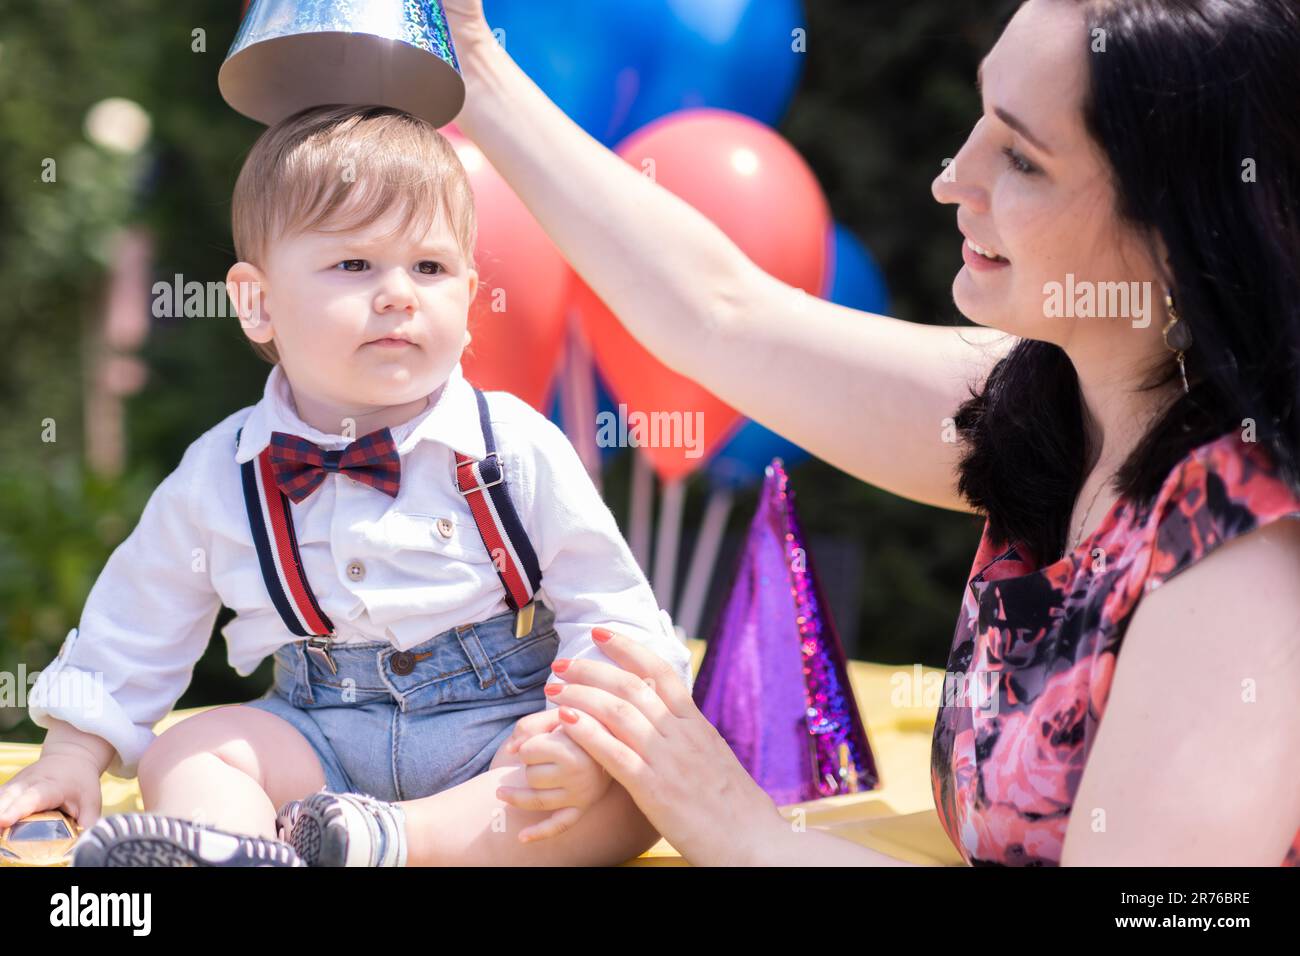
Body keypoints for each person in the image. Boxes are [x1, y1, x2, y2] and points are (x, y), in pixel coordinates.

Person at [439, 0, 1300, 866]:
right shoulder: (1058, 399)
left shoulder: (1250, 552)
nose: (951, 177)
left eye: (1023, 160)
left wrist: (737, 826)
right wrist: (476, 68)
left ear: (1181, 224)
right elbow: (721, 315)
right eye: (980, 119)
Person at [0, 105, 693, 867]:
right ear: (256, 301)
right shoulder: (224, 472)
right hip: (319, 737)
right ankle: (237, 850)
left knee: (623, 796)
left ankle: (389, 841)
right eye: (355, 265)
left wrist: (576, 739)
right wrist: (71, 752)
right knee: (191, 751)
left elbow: (610, 610)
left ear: (467, 297)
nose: (399, 293)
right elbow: (140, 615)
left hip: (497, 741)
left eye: (428, 269)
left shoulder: (514, 447)